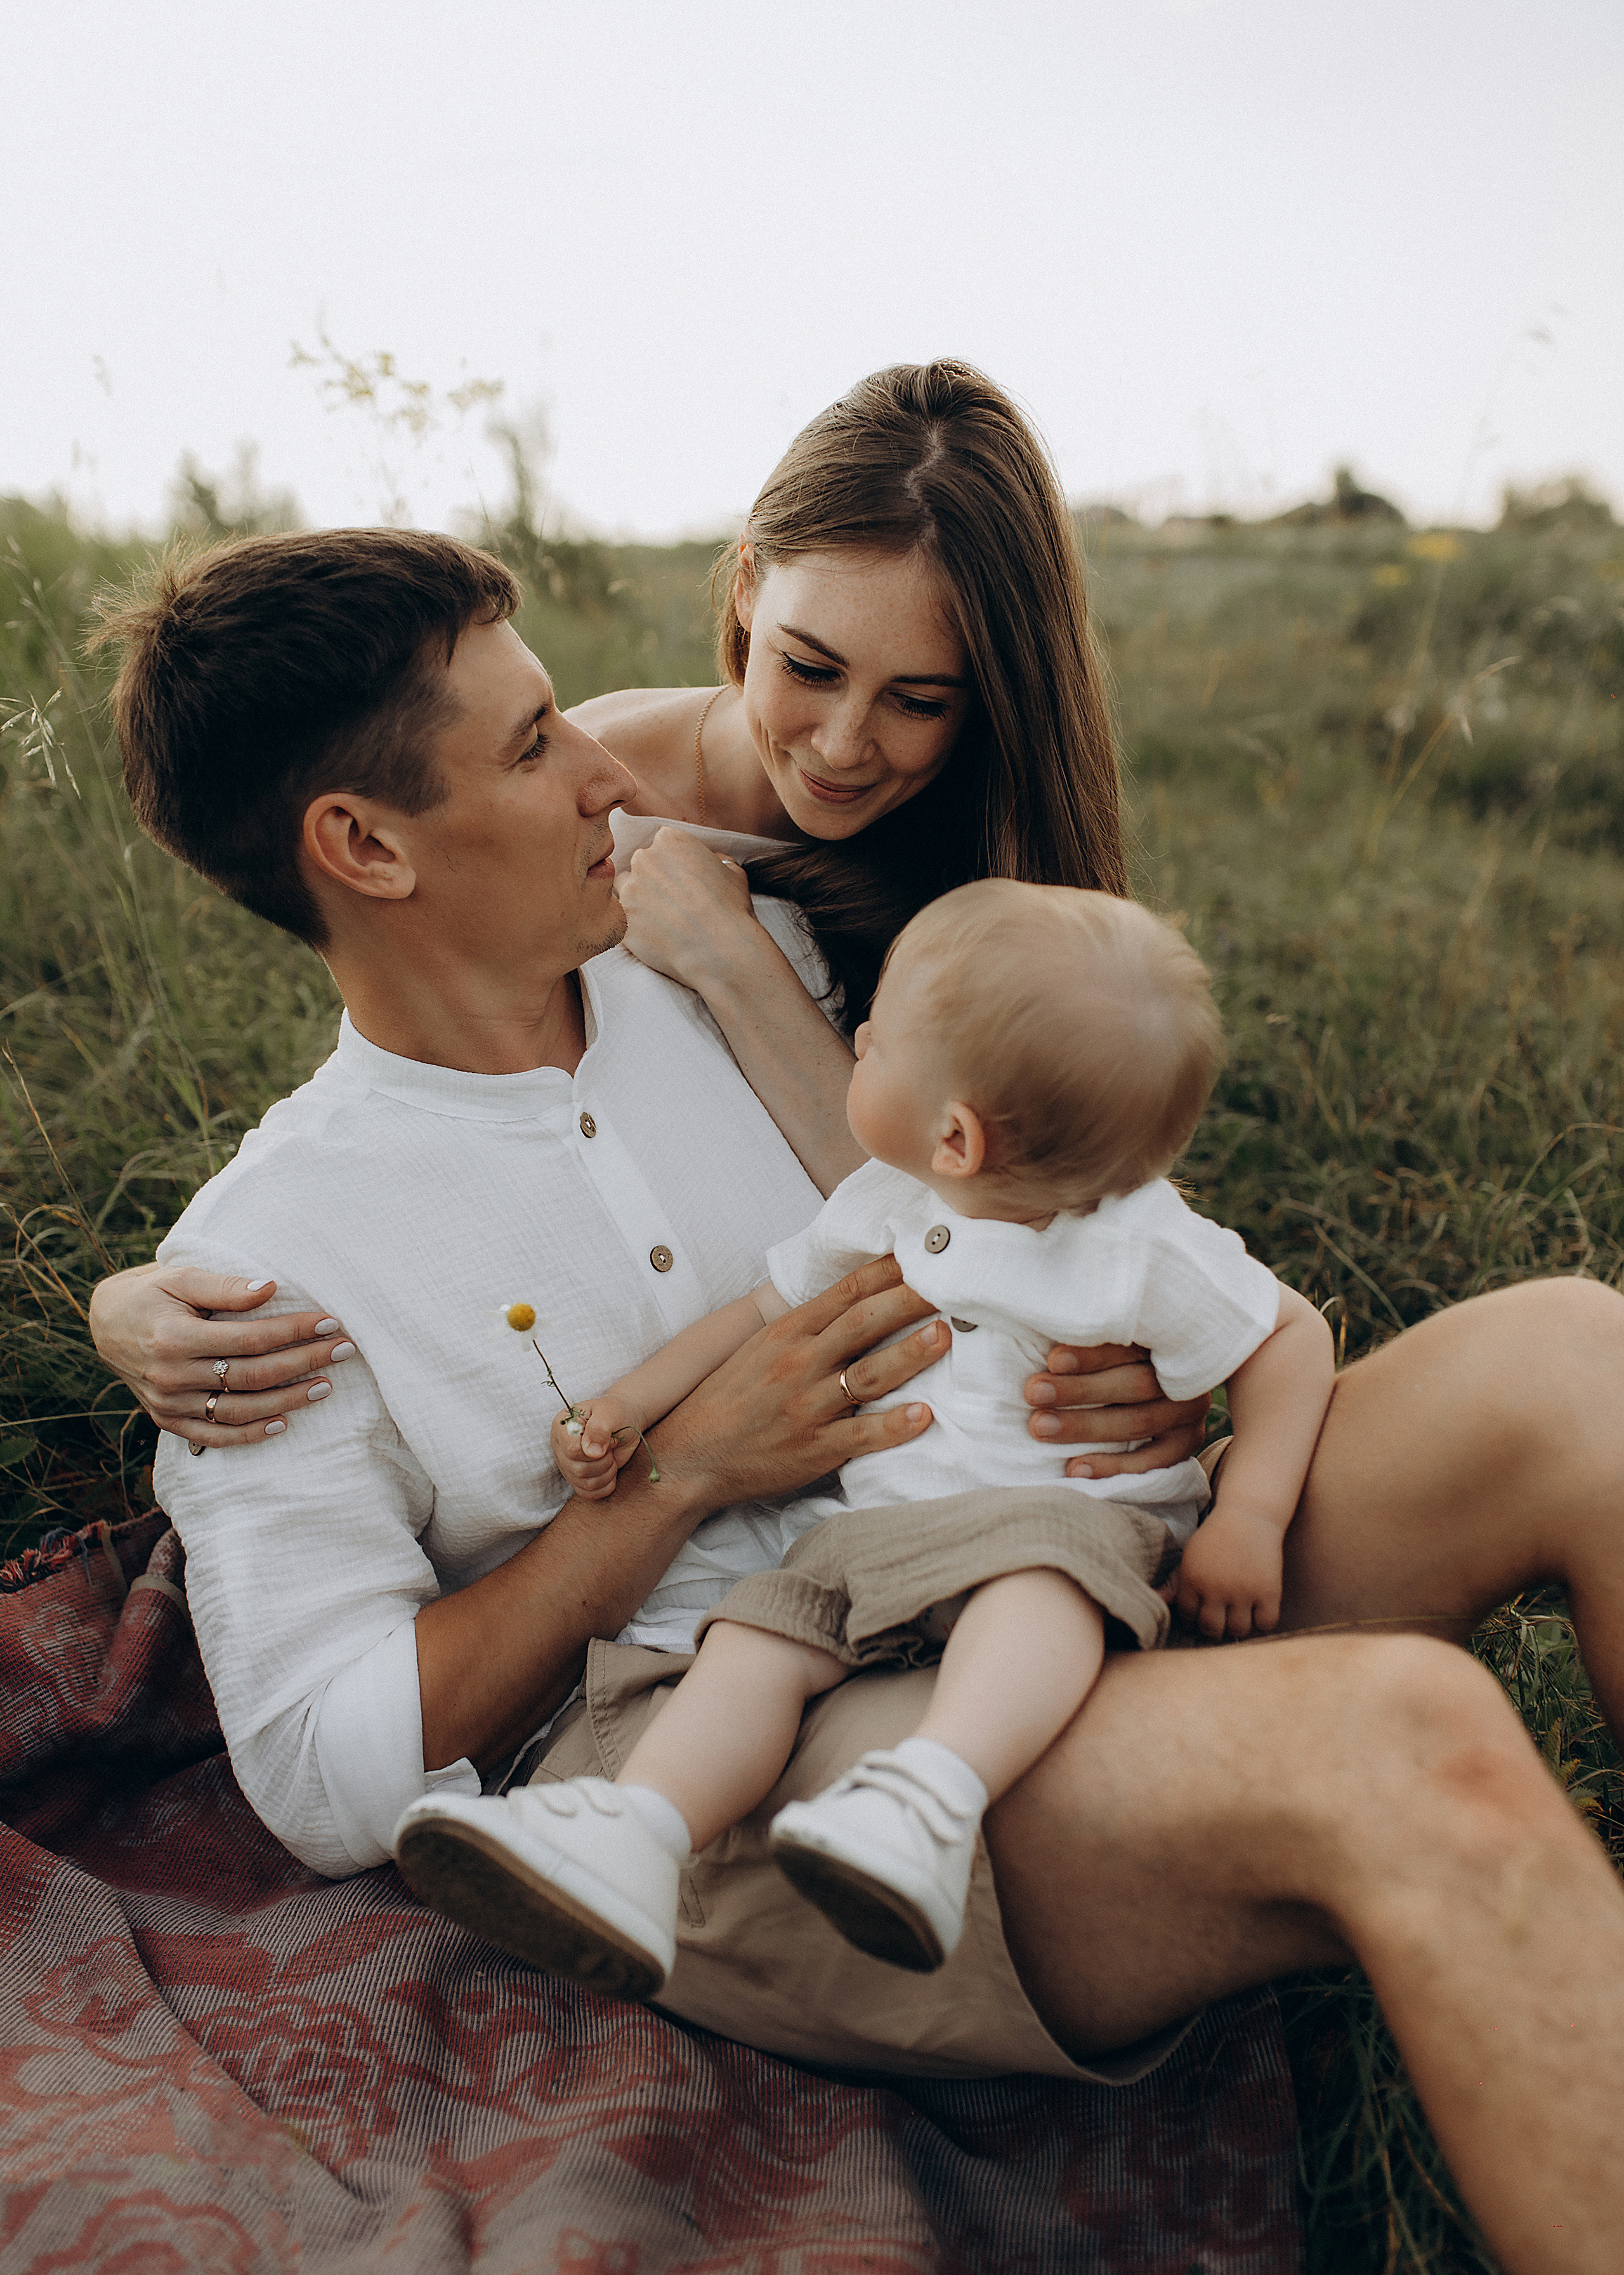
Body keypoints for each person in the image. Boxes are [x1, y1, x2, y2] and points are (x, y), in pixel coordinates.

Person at [85, 423, 1624, 2273]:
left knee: (1579, 1362)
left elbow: (1033, 1218)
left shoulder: (745, 961)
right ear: (359, 844)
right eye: (533, 745)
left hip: (1048, 1534)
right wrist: (671, 1480)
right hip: (738, 1737)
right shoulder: (268, 1266)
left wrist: (1157, 1372)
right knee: (1410, 1740)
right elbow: (326, 1779)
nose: (613, 770)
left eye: (570, 713)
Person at [399, 884, 1333, 1995]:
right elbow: (759, 1312)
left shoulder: (1138, 1243)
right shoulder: (889, 1201)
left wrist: (1254, 1514)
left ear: (956, 1131)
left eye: (875, 1039)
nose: (857, 1044)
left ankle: (931, 1796)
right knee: (756, 1638)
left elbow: (1289, 1334)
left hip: (1051, 1526)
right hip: (870, 1537)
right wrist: (626, 1405)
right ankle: (639, 1834)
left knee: (1037, 1591)